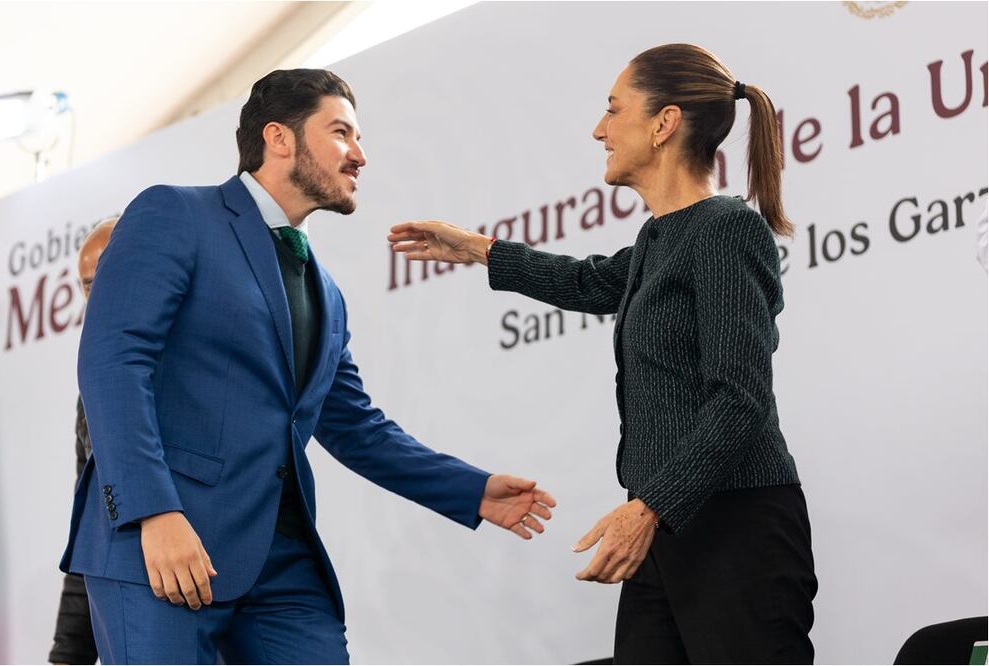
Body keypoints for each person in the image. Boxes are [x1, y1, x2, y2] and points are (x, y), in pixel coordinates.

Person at [60, 69, 556, 665]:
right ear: (280, 138)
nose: (360, 155)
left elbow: (354, 426)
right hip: (162, 546)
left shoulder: (327, 292)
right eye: (342, 132)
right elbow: (113, 362)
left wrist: (469, 490)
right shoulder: (172, 213)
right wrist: (154, 513)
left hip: (284, 564)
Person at [389, 44, 817, 664]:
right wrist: (478, 248)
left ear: (664, 124)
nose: (599, 129)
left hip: (733, 527)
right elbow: (592, 282)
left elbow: (741, 399)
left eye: (614, 110)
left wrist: (651, 508)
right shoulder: (659, 237)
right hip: (666, 526)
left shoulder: (725, 228)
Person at [48, 217, 116, 664]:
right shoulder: (90, 393)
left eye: (110, 274)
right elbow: (89, 532)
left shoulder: (202, 363)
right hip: (127, 622)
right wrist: (66, 656)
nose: (99, 296)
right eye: (90, 286)